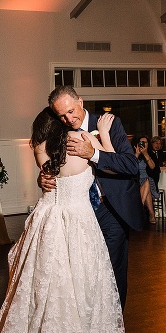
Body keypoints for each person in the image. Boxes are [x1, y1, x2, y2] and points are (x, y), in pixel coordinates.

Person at [0, 108, 132, 333]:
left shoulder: (40, 148)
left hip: (46, 220)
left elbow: (50, 173)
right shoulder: (82, 142)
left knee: (44, 286)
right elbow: (112, 163)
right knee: (80, 284)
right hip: (79, 222)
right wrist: (106, 136)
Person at [43, 86, 143, 310]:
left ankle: (114, 321)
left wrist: (93, 153)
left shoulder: (108, 124)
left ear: (80, 101)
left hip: (111, 208)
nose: (68, 119)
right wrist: (44, 177)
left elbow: (130, 166)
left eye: (71, 111)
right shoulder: (60, 131)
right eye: (62, 115)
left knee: (113, 269)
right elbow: (54, 165)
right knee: (85, 270)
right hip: (79, 213)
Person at [135, 135, 161, 225]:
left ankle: (139, 209)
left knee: (147, 182)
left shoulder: (151, 154)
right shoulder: (134, 153)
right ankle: (151, 214)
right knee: (147, 187)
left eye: (145, 142)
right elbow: (130, 167)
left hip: (148, 179)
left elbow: (152, 167)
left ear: (148, 144)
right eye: (141, 142)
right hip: (136, 181)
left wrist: (145, 154)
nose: (143, 144)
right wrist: (137, 154)